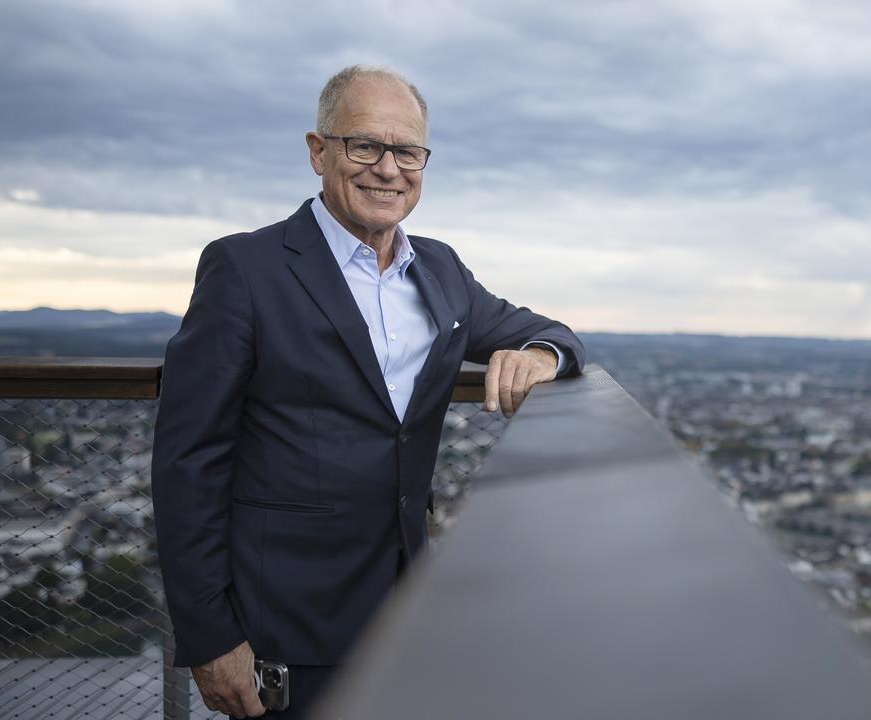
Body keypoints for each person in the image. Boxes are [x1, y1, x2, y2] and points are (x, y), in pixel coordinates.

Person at [151, 65, 585, 718]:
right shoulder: (246, 269)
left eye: (407, 150)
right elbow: (188, 461)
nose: (388, 168)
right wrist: (211, 636)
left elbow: (552, 334)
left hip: (408, 610)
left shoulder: (439, 268)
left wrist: (541, 357)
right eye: (365, 145)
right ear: (318, 151)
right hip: (286, 625)